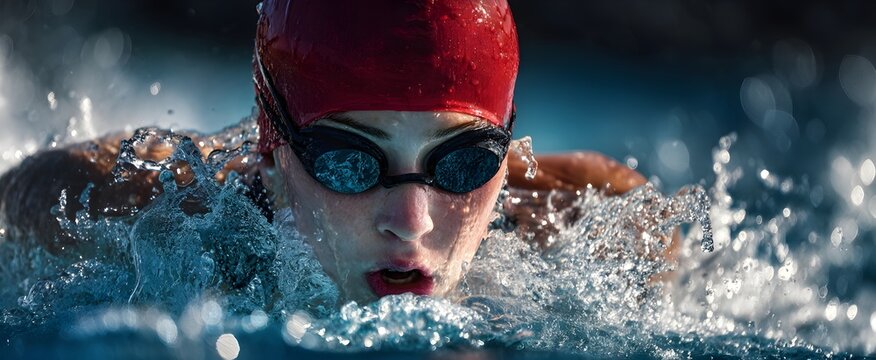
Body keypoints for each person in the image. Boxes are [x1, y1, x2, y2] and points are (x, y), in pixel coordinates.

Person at [0, 0, 654, 304]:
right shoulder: (176, 218)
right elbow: (32, 194)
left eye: (462, 162)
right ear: (272, 149)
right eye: (350, 162)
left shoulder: (579, 212)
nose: (412, 222)